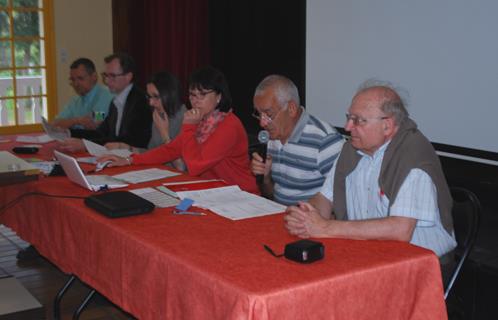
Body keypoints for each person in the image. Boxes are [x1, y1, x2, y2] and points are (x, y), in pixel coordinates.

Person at [284, 80, 457, 259]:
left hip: (419, 261)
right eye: (349, 117)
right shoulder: (352, 149)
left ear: (387, 126)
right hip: (367, 251)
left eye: (358, 120)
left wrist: (325, 227)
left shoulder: (412, 156)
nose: (347, 127)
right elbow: (325, 199)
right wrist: (306, 216)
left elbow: (400, 229)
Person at [99, 66, 259, 194]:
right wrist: (129, 160)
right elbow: (171, 150)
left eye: (201, 95)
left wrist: (188, 127)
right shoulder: (202, 120)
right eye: (191, 95)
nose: (195, 101)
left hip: (240, 194)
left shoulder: (228, 125)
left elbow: (195, 165)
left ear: (219, 97)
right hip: (215, 192)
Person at [251, 75, 344, 205]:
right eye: (259, 114)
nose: (262, 122)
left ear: (291, 108)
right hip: (278, 215)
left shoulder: (325, 142)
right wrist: (265, 178)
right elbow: (272, 195)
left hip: (309, 221)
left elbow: (342, 201)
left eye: (269, 114)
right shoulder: (271, 138)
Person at [58, 52, 151, 152]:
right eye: (105, 75)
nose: (107, 81)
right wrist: (69, 132)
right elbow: (102, 133)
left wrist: (86, 144)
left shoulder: (139, 101)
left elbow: (125, 140)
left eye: (112, 76)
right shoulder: (115, 101)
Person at [106, 71, 186, 170]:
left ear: (169, 94)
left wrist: (164, 134)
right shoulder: (159, 114)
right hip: (157, 172)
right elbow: (152, 153)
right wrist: (126, 148)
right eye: (149, 97)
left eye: (156, 96)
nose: (151, 103)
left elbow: (181, 167)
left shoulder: (186, 119)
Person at [51, 58, 113, 129]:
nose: (76, 84)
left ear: (94, 77)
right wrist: (77, 121)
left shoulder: (107, 95)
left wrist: (70, 121)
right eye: (73, 80)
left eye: (80, 78)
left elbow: (97, 118)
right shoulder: (75, 101)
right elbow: (55, 124)